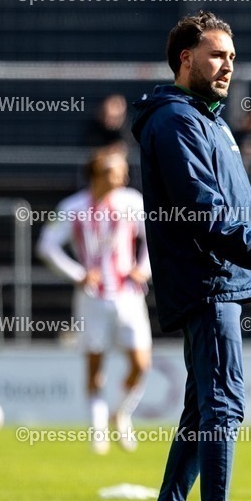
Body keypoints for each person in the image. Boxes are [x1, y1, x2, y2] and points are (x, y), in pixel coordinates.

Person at [130, 10, 251, 501]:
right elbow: (202, 210)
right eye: (216, 54)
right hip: (208, 280)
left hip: (220, 276)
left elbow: (235, 206)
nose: (228, 64)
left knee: (200, 409)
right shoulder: (176, 121)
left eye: (232, 55)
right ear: (186, 58)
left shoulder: (207, 120)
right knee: (223, 404)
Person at [36, 147, 151, 455]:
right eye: (116, 170)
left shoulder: (132, 202)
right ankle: (98, 428)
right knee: (95, 365)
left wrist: (143, 268)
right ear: (98, 174)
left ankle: (121, 413)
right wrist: (78, 273)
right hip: (92, 299)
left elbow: (153, 239)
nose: (123, 175)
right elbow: (47, 246)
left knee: (141, 363)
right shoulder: (72, 207)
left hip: (128, 295)